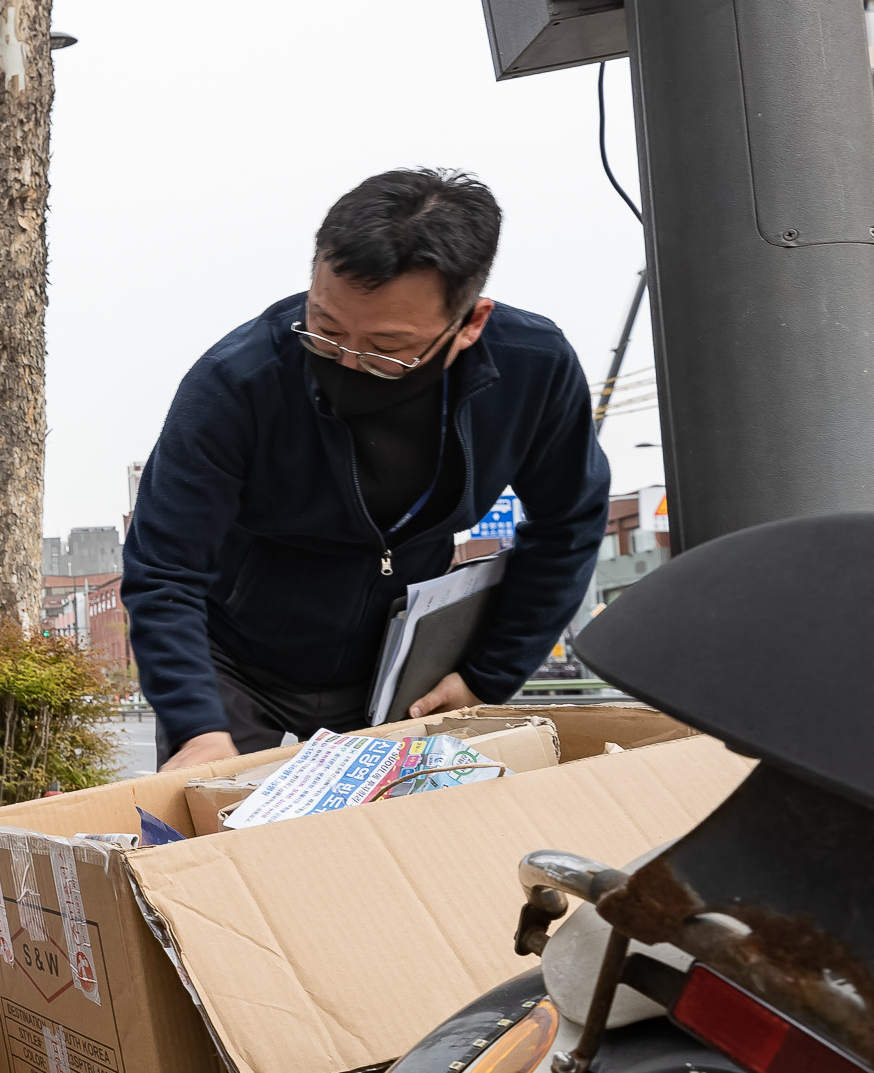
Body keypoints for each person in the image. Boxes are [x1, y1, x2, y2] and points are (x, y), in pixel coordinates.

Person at [122, 169, 609, 771]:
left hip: (403, 664)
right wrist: (196, 725)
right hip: (235, 660)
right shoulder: (238, 383)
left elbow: (570, 520)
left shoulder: (533, 369)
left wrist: (490, 671)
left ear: (471, 324)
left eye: (385, 349)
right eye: (325, 331)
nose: (348, 363)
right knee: (212, 826)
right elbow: (164, 569)